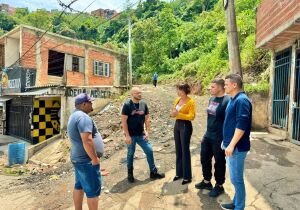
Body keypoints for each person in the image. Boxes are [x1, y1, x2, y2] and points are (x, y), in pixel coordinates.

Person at [67, 93, 108, 210]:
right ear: (84, 104)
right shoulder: (83, 117)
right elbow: (87, 141)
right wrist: (95, 160)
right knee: (93, 192)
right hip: (86, 161)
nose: (92, 104)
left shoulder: (74, 115)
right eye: (90, 102)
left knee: (79, 186)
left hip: (78, 159)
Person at [220, 74, 252, 210]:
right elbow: (230, 123)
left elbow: (241, 125)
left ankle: (239, 207)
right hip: (230, 146)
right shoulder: (234, 99)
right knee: (234, 179)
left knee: (237, 180)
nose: (224, 86)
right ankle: (236, 202)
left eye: (226, 84)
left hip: (237, 148)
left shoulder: (242, 100)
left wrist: (232, 144)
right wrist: (226, 142)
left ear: (234, 85)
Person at [121, 87, 165, 183]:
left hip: (141, 135)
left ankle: (153, 172)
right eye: (137, 93)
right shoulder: (127, 105)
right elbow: (123, 121)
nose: (140, 94)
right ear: (132, 94)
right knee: (130, 154)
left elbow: (147, 119)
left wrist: (147, 131)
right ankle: (130, 174)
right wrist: (127, 136)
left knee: (149, 150)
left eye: (140, 93)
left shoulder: (143, 104)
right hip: (131, 136)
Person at [195, 79, 230, 197]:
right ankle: (207, 181)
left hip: (219, 137)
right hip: (208, 134)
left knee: (219, 162)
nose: (210, 88)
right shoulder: (211, 99)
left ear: (220, 87)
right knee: (204, 158)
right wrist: (206, 133)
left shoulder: (227, 101)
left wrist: (227, 140)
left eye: (213, 87)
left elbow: (229, 122)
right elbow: (210, 117)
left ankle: (219, 185)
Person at [170, 83, 196, 185]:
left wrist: (178, 114)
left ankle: (187, 176)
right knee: (178, 149)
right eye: (177, 90)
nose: (178, 92)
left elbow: (192, 116)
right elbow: (173, 111)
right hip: (177, 125)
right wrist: (172, 114)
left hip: (186, 126)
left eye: (179, 90)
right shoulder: (177, 100)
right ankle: (179, 173)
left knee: (185, 150)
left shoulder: (191, 102)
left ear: (185, 90)